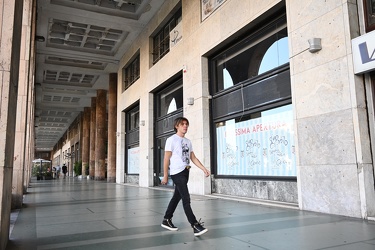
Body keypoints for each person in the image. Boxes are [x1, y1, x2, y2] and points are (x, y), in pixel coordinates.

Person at [161, 117, 210, 236]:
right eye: (182, 124)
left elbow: (193, 157)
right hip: (177, 173)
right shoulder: (171, 140)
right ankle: (194, 225)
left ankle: (166, 219)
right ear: (176, 126)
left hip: (185, 172)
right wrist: (165, 175)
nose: (185, 126)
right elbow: (166, 158)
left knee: (176, 197)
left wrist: (204, 169)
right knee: (186, 198)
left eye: (187, 124)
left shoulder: (188, 141)